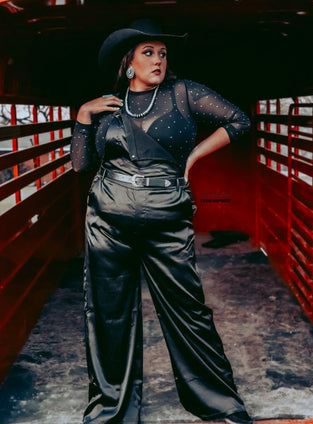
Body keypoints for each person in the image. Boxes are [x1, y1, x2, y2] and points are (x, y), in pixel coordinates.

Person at [71, 19, 252, 424]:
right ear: (129, 63)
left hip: (166, 217)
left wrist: (191, 158)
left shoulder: (184, 93)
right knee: (108, 313)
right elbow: (81, 165)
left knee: (188, 310)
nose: (159, 60)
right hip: (107, 220)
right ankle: (110, 411)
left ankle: (219, 405)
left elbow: (239, 121)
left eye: (163, 53)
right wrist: (84, 115)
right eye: (148, 53)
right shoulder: (108, 106)